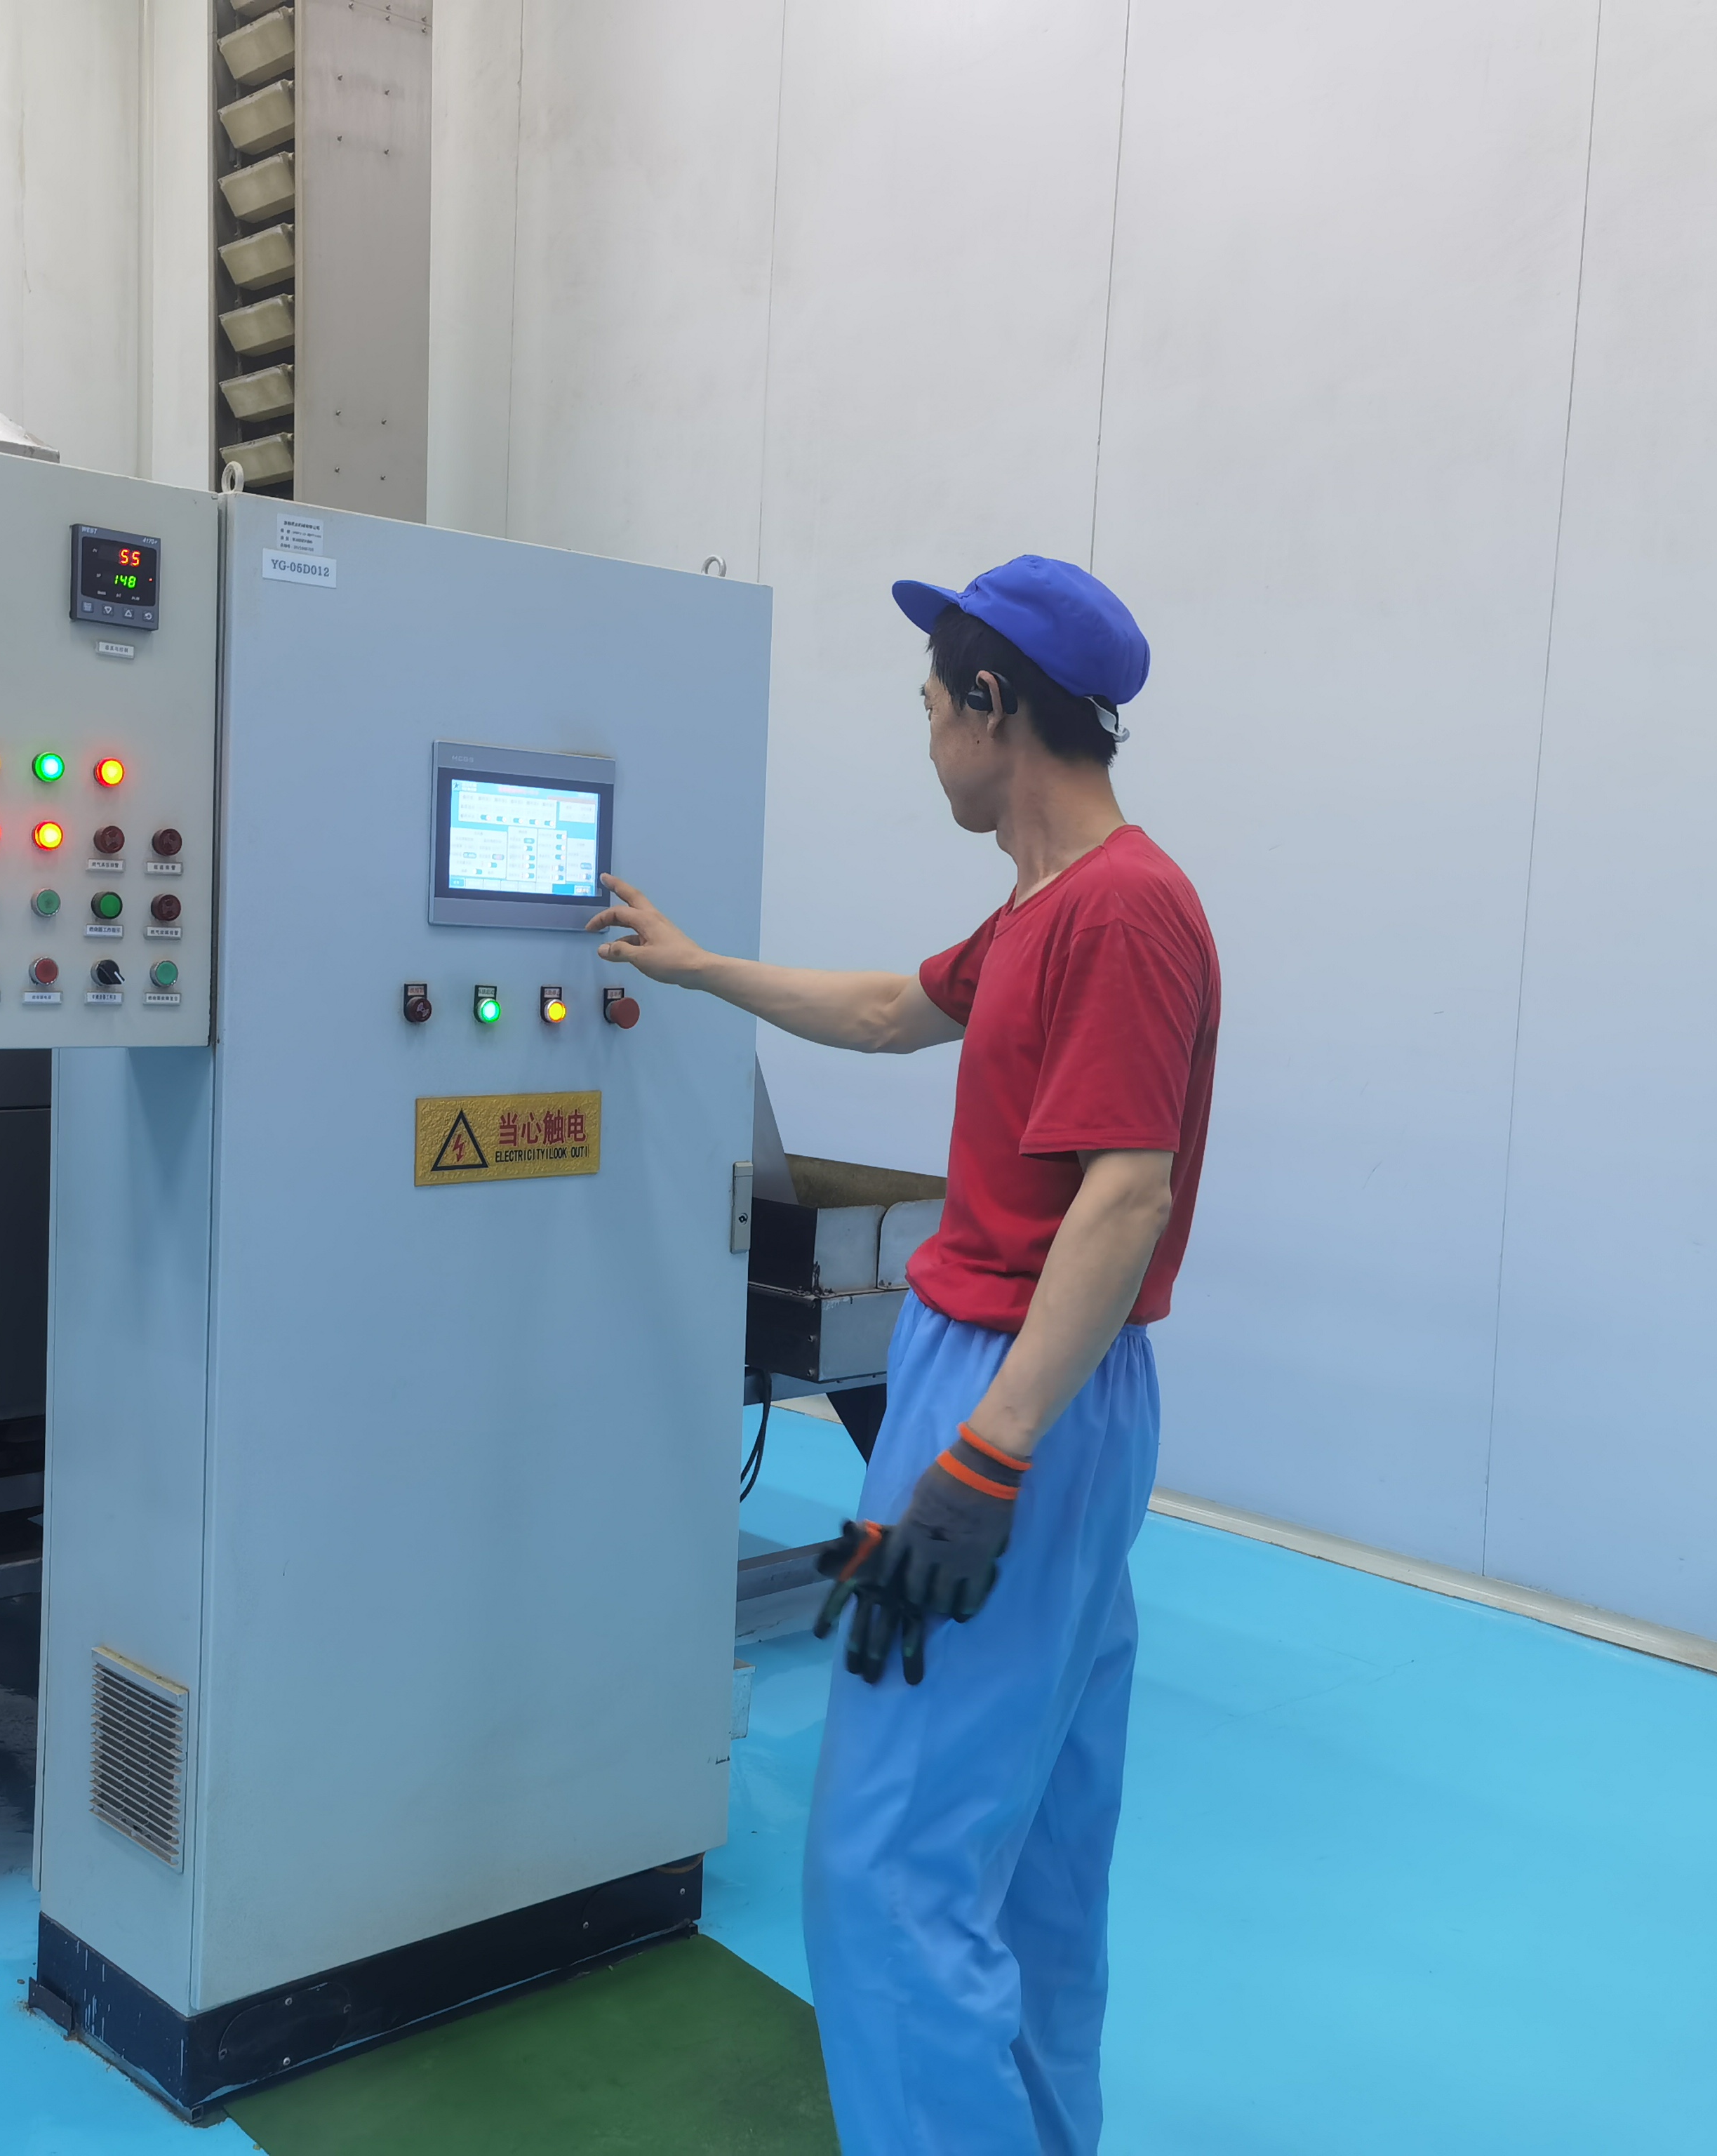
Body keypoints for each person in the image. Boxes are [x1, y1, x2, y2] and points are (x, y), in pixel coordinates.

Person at [584, 556, 1219, 2153]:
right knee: (1033, 1848)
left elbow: (1124, 1196)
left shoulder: (1123, 912)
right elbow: (886, 1011)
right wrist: (695, 965)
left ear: (993, 706)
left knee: (883, 1872)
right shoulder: (1045, 908)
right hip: (1019, 1384)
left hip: (1016, 1390)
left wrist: (985, 1453)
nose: (925, 736)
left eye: (932, 705)